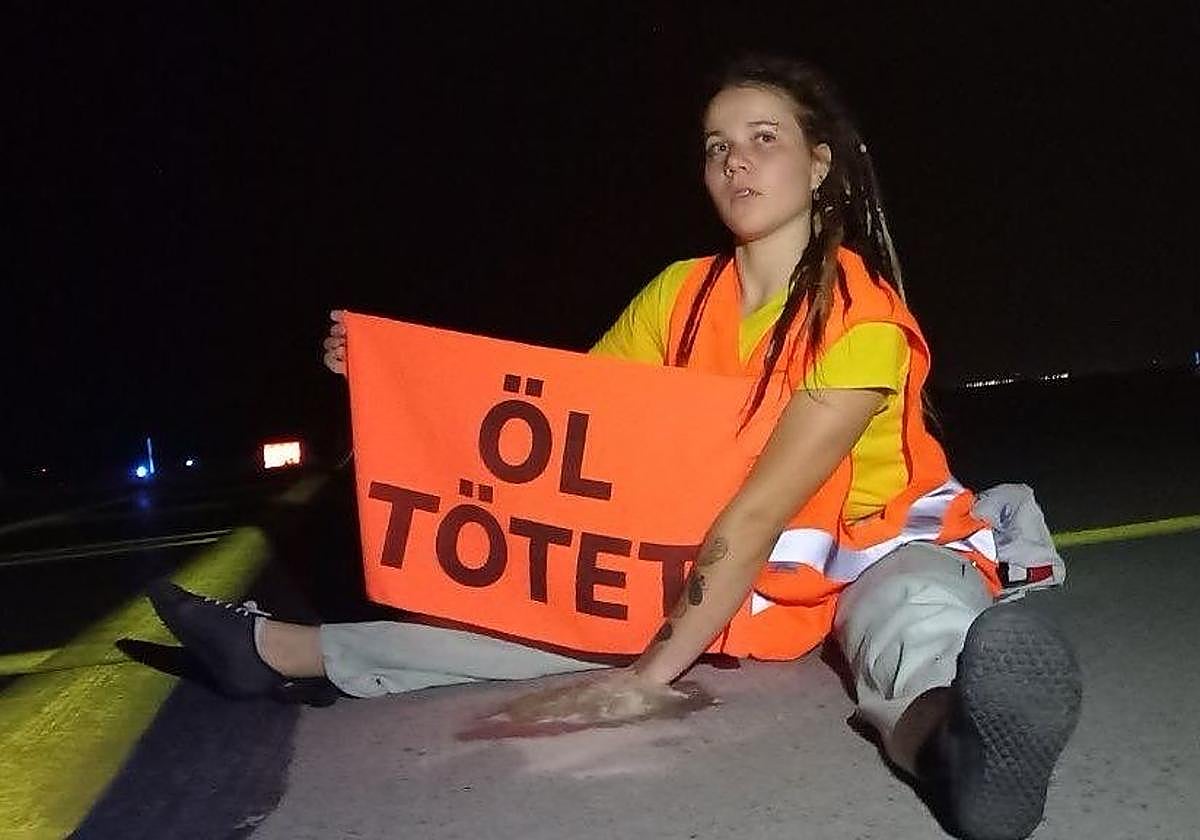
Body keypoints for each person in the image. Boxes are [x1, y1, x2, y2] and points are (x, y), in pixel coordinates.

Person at [149, 53, 1081, 840]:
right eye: (718, 146)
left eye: (765, 139)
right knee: (541, 607)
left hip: (871, 544)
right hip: (738, 571)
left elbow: (760, 509)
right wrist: (392, 374)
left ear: (821, 164)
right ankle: (278, 650)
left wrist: (645, 678)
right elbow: (561, 425)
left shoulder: (858, 316)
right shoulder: (678, 293)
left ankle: (960, 751)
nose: (736, 163)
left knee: (914, 626)